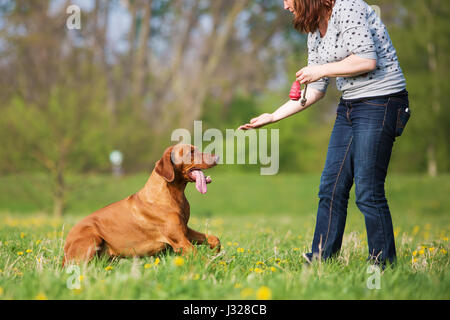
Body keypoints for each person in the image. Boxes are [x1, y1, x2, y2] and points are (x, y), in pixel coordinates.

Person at [239, 0, 410, 266]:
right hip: (350, 104)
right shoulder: (314, 29)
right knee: (331, 187)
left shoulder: (349, 6)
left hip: (382, 100)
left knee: (367, 191)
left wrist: (320, 69)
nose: (285, 6)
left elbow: (367, 59)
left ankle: (382, 266)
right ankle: (319, 260)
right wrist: (273, 116)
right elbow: (315, 90)